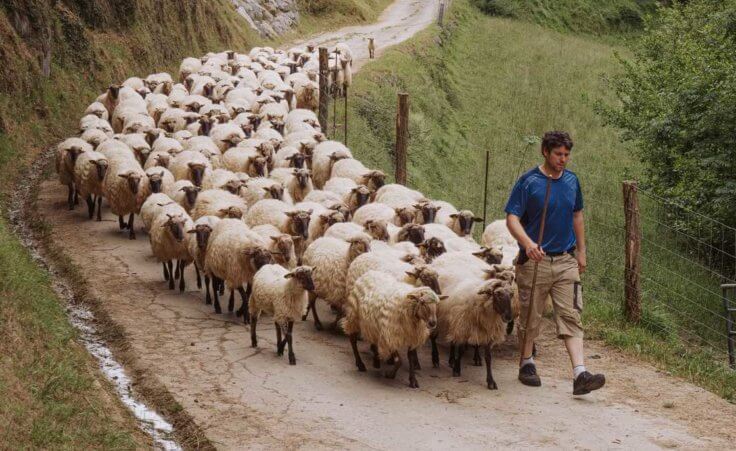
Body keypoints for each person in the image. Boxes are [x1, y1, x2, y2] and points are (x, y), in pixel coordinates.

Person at [504, 131, 605, 395]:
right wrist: (527, 243)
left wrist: (581, 251)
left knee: (571, 313)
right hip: (534, 261)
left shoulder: (572, 181)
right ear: (545, 152)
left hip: (565, 259)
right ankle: (526, 362)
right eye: (558, 154)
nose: (563, 159)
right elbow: (512, 218)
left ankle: (580, 373)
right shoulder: (528, 182)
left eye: (567, 155)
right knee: (530, 315)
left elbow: (578, 215)